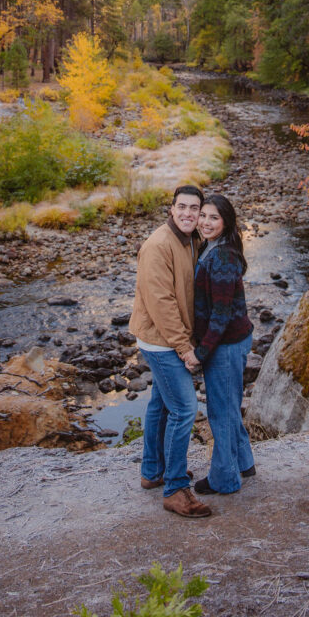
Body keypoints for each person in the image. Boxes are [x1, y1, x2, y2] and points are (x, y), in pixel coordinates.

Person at [129, 184, 212, 518]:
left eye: (195, 208)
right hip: (159, 341)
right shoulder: (158, 245)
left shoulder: (190, 240)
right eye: (183, 207)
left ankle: (152, 471)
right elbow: (161, 302)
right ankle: (176, 488)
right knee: (184, 408)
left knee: (161, 405)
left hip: (168, 337)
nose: (188, 213)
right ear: (172, 208)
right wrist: (184, 347)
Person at [189, 193, 255, 495]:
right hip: (227, 343)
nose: (205, 221)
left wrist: (201, 352)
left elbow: (221, 314)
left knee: (220, 412)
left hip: (226, 345)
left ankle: (224, 479)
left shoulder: (224, 256)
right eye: (203, 215)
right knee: (228, 407)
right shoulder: (210, 247)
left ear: (226, 222)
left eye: (213, 217)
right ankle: (244, 463)